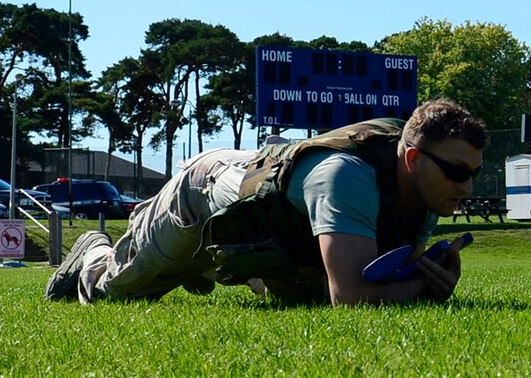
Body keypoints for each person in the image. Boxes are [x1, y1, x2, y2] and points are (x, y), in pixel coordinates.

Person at [45, 98, 488, 306]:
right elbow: (351, 297)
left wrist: (427, 273)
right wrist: (425, 290)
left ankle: (210, 270)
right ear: (412, 158)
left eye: (473, 173)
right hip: (201, 200)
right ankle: (94, 253)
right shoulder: (347, 178)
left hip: (260, 229)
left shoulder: (429, 189)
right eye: (456, 172)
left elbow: (374, 275)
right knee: (115, 292)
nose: (466, 186)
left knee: (304, 293)